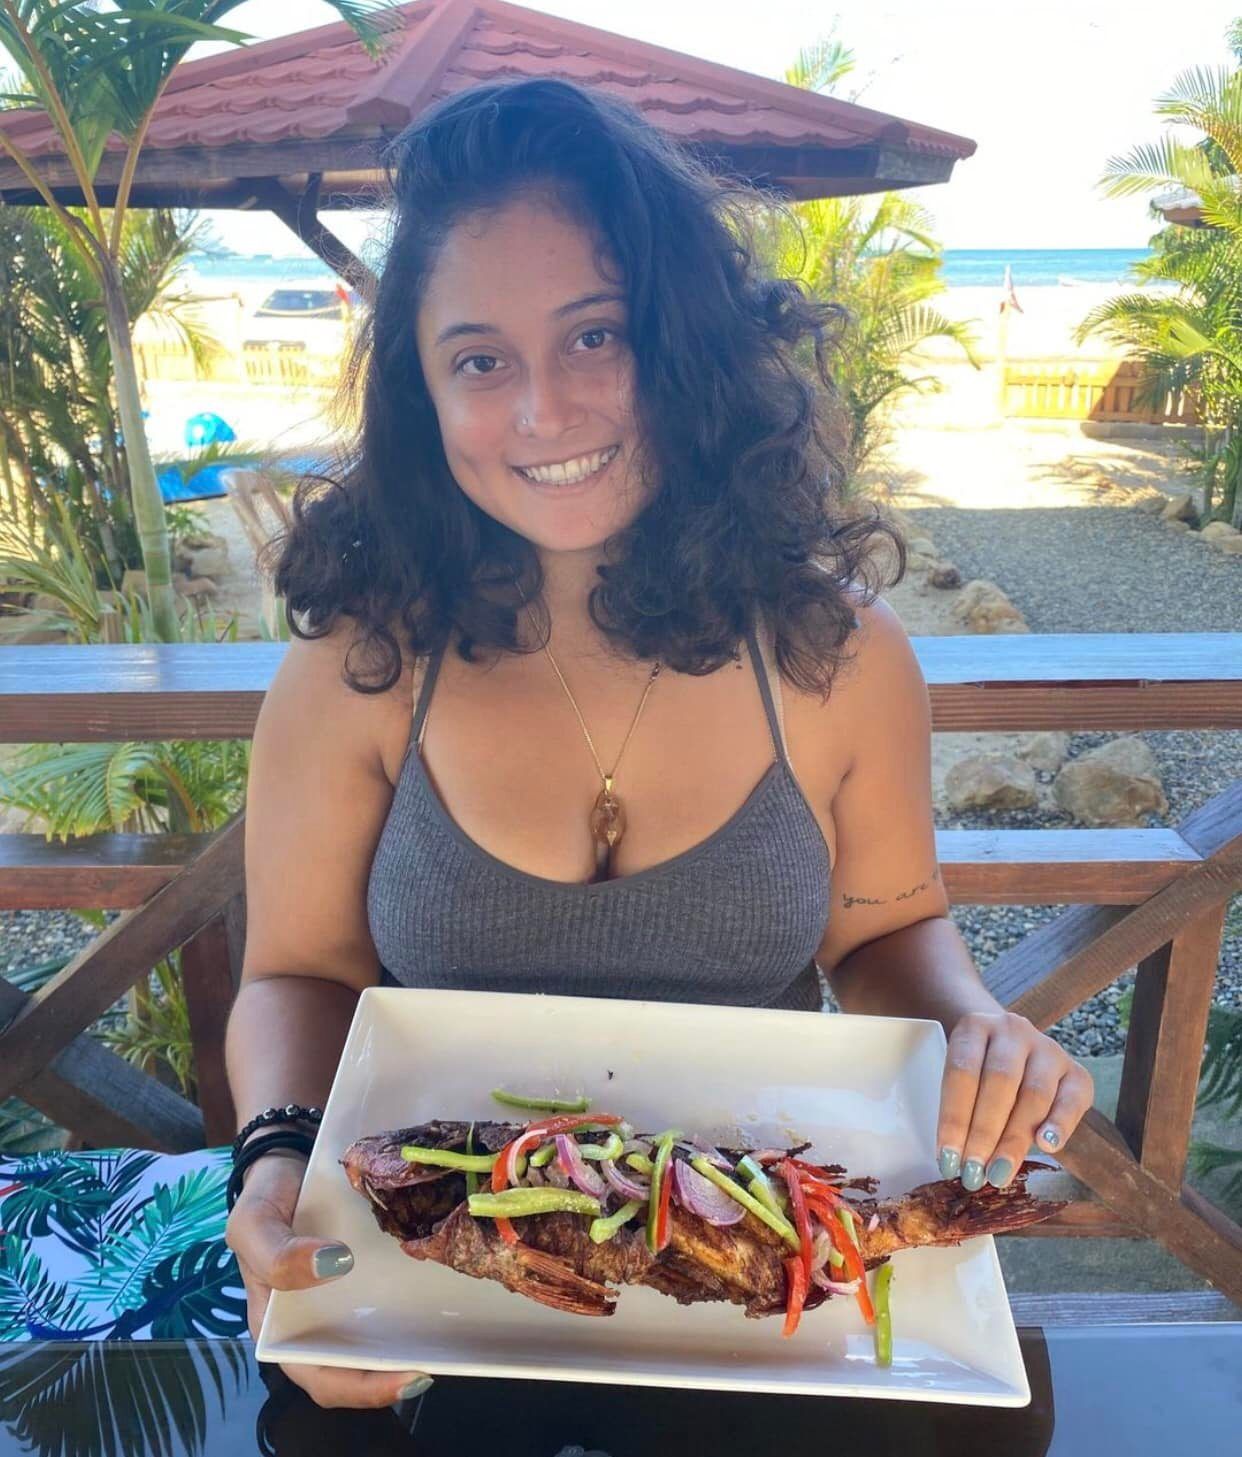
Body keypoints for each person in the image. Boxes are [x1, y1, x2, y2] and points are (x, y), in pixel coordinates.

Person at [224, 77, 1093, 1411]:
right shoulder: (361, 664)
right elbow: (296, 972)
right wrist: (281, 1162)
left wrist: (975, 1028)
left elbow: (884, 938)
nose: (542, 411)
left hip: (769, 1289)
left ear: (685, 344)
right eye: (479, 360)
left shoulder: (835, 657)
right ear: (422, 392)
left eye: (596, 336)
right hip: (437, 1287)